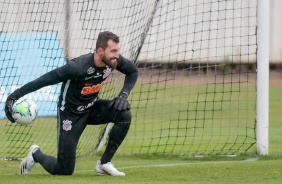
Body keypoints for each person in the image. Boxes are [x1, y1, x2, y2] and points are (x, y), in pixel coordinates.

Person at [4, 31, 138, 176]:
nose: (117, 55)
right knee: (64, 170)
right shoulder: (77, 67)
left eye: (118, 51)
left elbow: (132, 72)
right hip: (70, 115)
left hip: (93, 107)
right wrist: (13, 96)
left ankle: (104, 163)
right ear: (100, 51)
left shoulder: (112, 61)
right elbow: (44, 80)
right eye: (113, 51)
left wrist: (123, 95)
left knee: (124, 114)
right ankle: (35, 154)